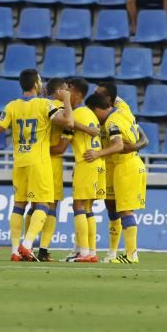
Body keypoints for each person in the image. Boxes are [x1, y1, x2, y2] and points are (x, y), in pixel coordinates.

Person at [0, 68, 72, 262]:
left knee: (19, 205)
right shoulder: (44, 104)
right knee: (44, 204)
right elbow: (68, 122)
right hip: (39, 162)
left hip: (19, 162)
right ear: (36, 84)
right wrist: (66, 99)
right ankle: (28, 243)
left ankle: (15, 251)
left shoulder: (12, 106)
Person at [85, 91, 146, 264]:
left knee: (125, 210)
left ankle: (131, 254)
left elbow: (118, 144)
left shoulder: (112, 121)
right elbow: (116, 96)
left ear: (97, 110)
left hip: (126, 166)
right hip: (114, 166)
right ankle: (112, 253)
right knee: (112, 209)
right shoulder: (122, 109)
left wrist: (98, 153)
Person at [63, 78, 103, 263]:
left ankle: (85, 253)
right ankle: (90, 251)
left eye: (67, 90)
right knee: (87, 208)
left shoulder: (77, 113)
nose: (65, 93)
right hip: (94, 163)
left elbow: (67, 121)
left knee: (78, 206)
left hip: (86, 161)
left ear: (77, 93)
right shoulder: (89, 113)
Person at [36, 78, 73, 262]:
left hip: (33, 160)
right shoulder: (61, 107)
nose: (68, 92)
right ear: (59, 90)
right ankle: (42, 250)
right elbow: (69, 125)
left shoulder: (38, 105)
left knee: (30, 204)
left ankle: (22, 247)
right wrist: (66, 101)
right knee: (51, 206)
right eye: (66, 89)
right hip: (52, 163)